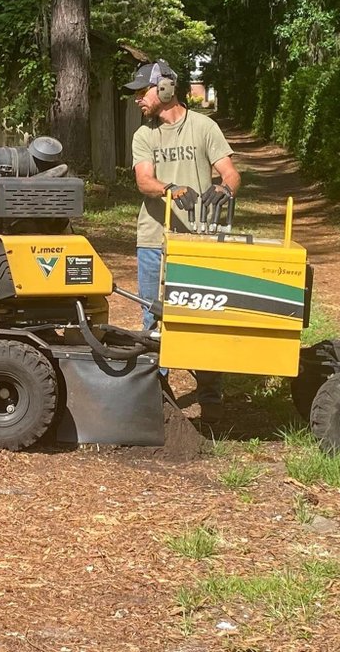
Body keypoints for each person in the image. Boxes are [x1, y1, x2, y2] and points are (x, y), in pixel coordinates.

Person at [124, 59, 241, 414]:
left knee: (204, 317)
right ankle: (158, 398)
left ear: (165, 89)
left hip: (199, 242)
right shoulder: (144, 135)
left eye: (141, 92)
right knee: (153, 318)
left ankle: (210, 397)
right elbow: (145, 181)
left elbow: (231, 173)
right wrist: (171, 189)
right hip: (154, 240)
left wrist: (224, 191)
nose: (136, 101)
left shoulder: (204, 128)